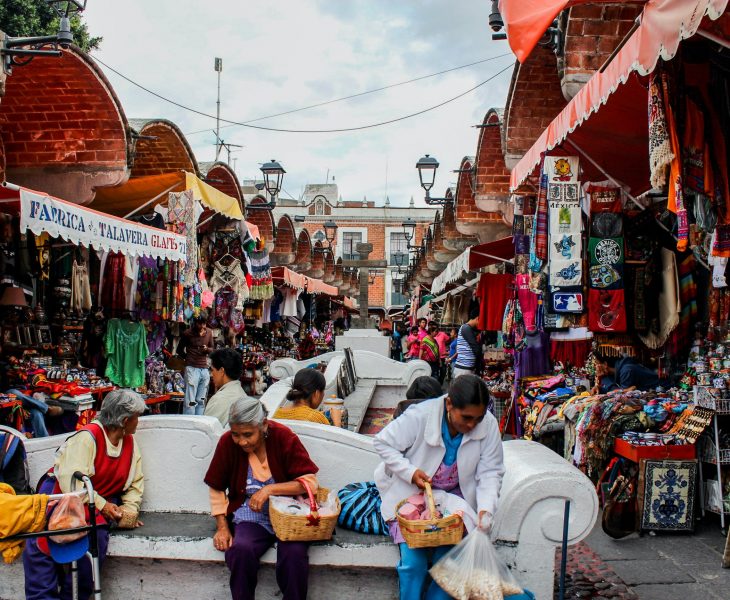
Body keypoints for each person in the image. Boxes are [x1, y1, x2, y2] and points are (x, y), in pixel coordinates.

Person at [373, 375, 506, 600]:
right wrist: (410, 472)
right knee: (413, 563)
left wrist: (486, 508)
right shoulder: (420, 416)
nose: (472, 425)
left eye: (478, 418)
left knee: (449, 563)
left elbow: (491, 472)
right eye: (466, 417)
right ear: (449, 405)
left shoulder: (488, 425)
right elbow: (383, 442)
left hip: (454, 502)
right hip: (410, 499)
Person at [23, 389, 145, 600]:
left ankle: (74, 596)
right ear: (125, 420)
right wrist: (104, 506)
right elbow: (73, 484)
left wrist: (129, 511)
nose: (139, 422)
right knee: (40, 543)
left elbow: (135, 483)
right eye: (137, 417)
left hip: (97, 503)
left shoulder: (130, 444)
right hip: (65, 496)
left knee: (94, 543)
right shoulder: (87, 438)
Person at [204, 397, 319, 600]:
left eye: (248, 434)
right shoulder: (227, 443)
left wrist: (270, 490)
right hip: (251, 515)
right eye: (236, 435)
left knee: (294, 556)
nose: (242, 441)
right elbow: (216, 487)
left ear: (263, 425)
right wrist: (222, 527)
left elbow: (309, 482)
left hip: (289, 516)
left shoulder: (284, 437)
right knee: (241, 550)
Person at [179, 315, 213, 415]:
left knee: (201, 400)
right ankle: (188, 425)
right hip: (192, 368)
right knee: (190, 401)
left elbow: (212, 349)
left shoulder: (209, 332)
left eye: (204, 323)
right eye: (200, 323)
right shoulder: (187, 333)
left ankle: (199, 422)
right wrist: (189, 358)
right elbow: (179, 350)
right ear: (194, 323)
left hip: (204, 369)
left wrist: (206, 349)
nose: (202, 326)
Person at [205, 348, 249, 427]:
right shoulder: (241, 394)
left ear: (222, 371)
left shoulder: (219, 399)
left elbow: (206, 433)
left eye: (212, 370)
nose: (211, 374)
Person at [593, 353, 670, 394]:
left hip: (664, 390)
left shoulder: (626, 370)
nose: (595, 367)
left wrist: (604, 379)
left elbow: (624, 395)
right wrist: (600, 387)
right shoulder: (617, 371)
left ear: (605, 364)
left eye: (596, 363)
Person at [453, 312, 482, 378]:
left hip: (466, 368)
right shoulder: (466, 328)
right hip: (463, 369)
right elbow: (475, 348)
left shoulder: (468, 329)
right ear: (477, 318)